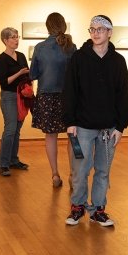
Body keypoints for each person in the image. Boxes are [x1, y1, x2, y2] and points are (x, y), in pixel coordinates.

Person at [63, 15, 128, 226]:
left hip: (109, 128)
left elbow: (123, 94)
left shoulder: (118, 61)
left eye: (101, 29)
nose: (96, 33)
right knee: (80, 169)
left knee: (103, 170)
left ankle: (98, 209)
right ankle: (77, 207)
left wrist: (121, 125)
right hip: (82, 126)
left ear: (110, 33)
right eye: (92, 29)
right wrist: (70, 121)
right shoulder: (78, 58)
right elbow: (70, 91)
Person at [30, 12, 77, 188]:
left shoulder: (40, 47)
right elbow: (77, 74)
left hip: (46, 96)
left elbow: (33, 74)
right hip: (68, 96)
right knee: (73, 136)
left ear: (48, 27)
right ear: (63, 25)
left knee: (51, 136)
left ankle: (55, 174)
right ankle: (73, 174)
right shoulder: (71, 47)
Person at [0, 27, 31, 177]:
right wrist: (20, 73)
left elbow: (27, 75)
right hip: (9, 96)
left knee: (17, 130)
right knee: (10, 129)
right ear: (5, 40)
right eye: (13, 37)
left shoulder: (21, 56)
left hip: (21, 96)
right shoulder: (1, 59)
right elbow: (4, 82)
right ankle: (3, 164)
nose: (16, 40)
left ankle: (13, 160)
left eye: (17, 37)